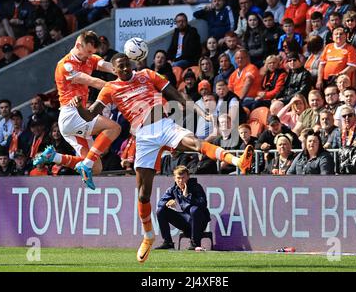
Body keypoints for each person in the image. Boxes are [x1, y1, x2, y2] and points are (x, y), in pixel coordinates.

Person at [75, 52, 254, 263]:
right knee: (143, 195)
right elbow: (90, 114)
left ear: (131, 63)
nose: (125, 69)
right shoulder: (109, 89)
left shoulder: (146, 74)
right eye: (120, 67)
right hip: (143, 137)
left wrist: (198, 111)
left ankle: (238, 161)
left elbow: (175, 95)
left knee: (196, 143)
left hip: (164, 125)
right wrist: (79, 108)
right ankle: (148, 236)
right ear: (114, 71)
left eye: (127, 65)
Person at [33, 31, 121, 190]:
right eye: (88, 52)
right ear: (78, 45)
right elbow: (92, 81)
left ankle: (54, 156)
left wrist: (122, 71)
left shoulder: (88, 57)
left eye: (93, 53)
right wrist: (119, 87)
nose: (90, 56)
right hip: (71, 115)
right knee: (114, 127)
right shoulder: (65, 65)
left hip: (78, 118)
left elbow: (105, 65)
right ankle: (84, 165)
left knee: (97, 168)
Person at [155, 165, 210, 250]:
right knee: (160, 211)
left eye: (183, 178)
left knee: (194, 210)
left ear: (188, 177)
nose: (180, 181)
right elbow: (160, 203)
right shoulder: (174, 189)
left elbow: (203, 204)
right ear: (174, 178)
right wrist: (167, 203)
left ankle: (195, 244)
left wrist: (187, 196)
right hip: (185, 221)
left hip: (200, 222)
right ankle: (168, 242)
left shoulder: (196, 187)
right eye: (178, 178)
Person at [317, 26, 356, 90]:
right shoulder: (328, 47)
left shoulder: (350, 48)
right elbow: (321, 64)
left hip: (340, 81)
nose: (338, 36)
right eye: (336, 34)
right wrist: (319, 80)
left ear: (345, 36)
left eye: (341, 34)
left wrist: (338, 75)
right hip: (326, 79)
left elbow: (352, 66)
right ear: (332, 37)